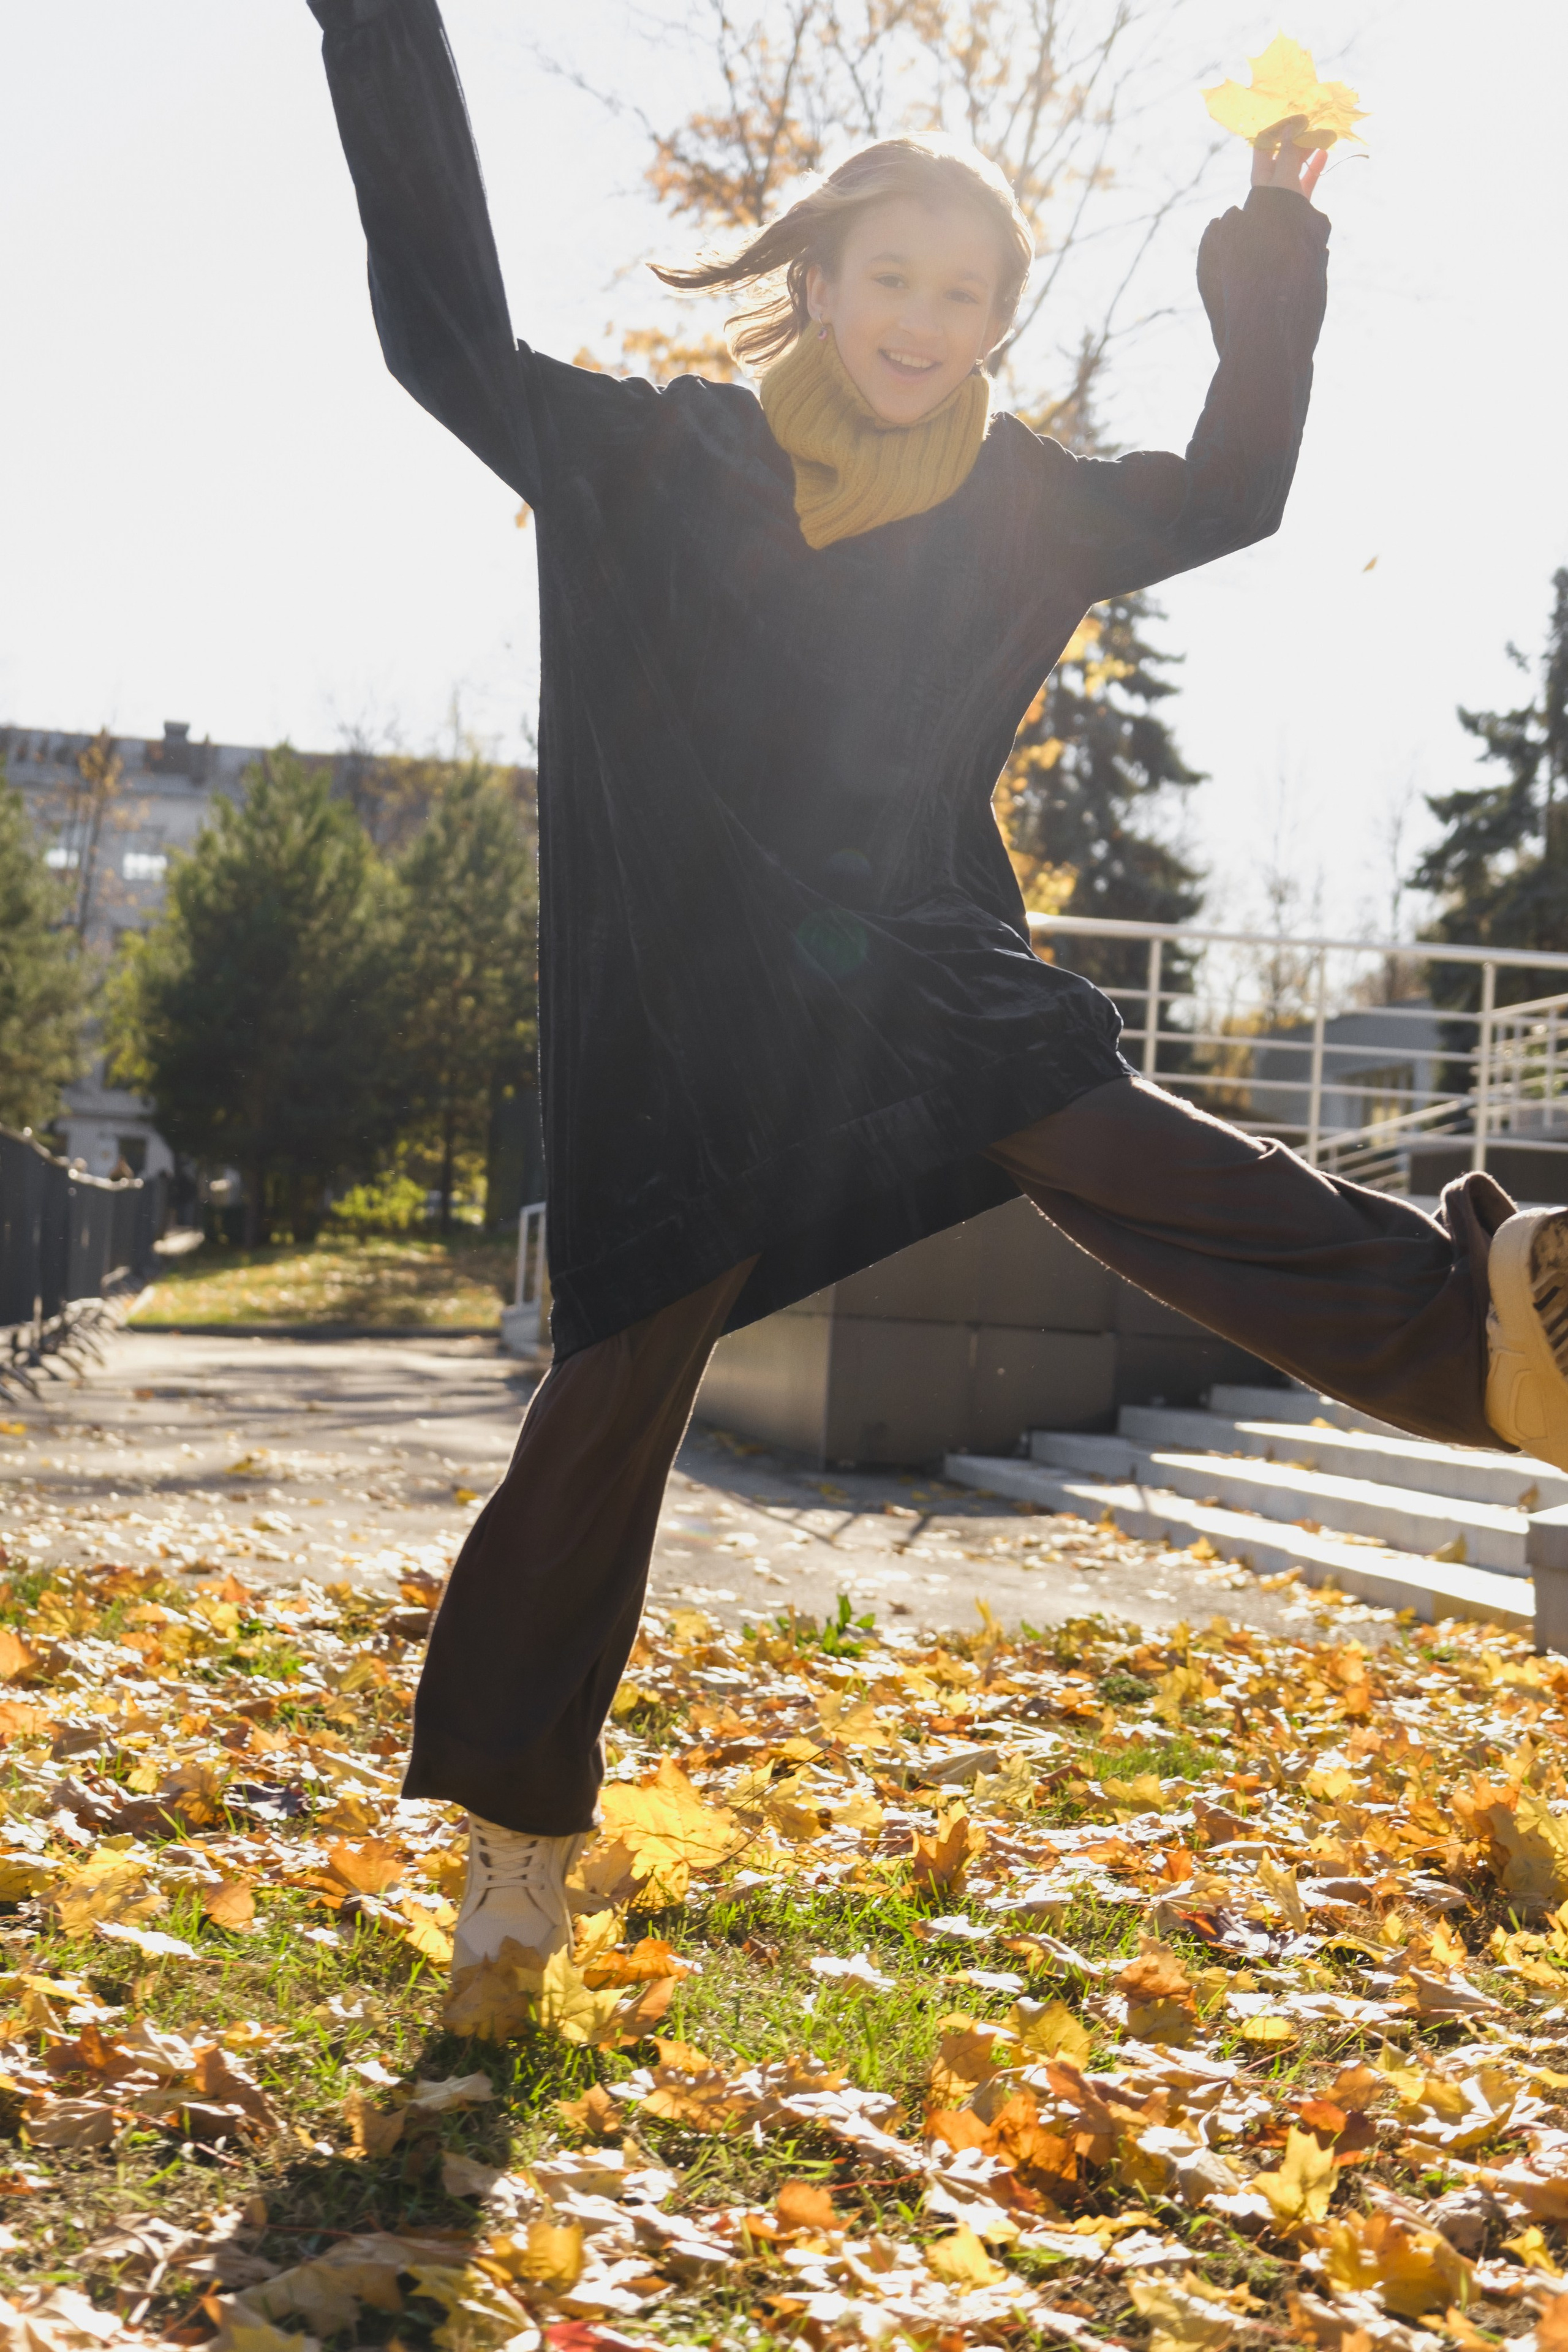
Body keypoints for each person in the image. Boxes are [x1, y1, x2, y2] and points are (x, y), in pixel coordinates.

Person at [306, 0, 1568, 1978]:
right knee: (611, 1402)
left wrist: (1270, 235)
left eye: (967, 294)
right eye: (891, 278)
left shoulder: (1019, 508)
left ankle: (1489, 1337)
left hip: (920, 986)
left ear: (996, 317)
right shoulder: (651, 456)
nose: (923, 320)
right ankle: (513, 1844)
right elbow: (438, 331)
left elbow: (1236, 489)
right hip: (690, 1025)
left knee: (1143, 1150)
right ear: (814, 278)